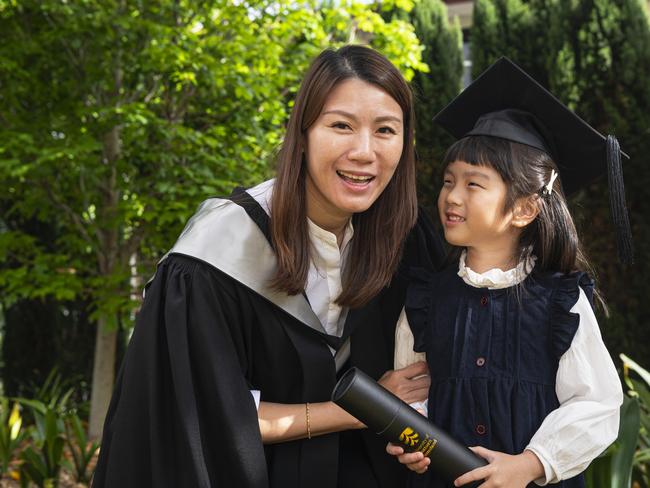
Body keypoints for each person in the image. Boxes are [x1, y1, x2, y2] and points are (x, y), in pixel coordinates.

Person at [92, 45, 445, 488]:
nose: (363, 151)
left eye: (386, 130)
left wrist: (416, 435)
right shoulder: (214, 255)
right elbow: (203, 418)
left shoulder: (404, 239)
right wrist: (370, 407)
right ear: (302, 134)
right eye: (341, 125)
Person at [386, 57, 627, 487]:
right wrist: (410, 441)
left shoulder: (561, 303)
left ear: (523, 208)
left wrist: (532, 463)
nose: (451, 196)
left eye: (473, 184)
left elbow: (597, 403)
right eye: (447, 181)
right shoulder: (426, 298)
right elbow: (412, 397)